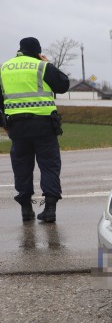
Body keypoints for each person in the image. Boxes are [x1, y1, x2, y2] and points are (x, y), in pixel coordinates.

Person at [0, 37, 69, 223]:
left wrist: (4, 123)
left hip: (17, 127)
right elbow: (64, 85)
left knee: (21, 167)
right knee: (49, 165)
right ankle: (50, 210)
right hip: (44, 126)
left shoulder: (4, 68)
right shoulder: (41, 66)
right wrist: (48, 63)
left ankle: (26, 209)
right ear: (38, 51)